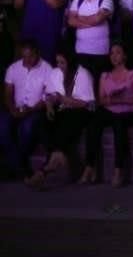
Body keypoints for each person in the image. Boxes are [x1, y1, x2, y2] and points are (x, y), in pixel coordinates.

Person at [28, 48, 96, 187]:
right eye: (57, 62)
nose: (59, 65)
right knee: (43, 120)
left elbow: (85, 103)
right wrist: (49, 105)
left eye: (63, 62)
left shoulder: (83, 74)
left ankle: (45, 169)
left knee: (67, 119)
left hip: (81, 110)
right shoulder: (55, 73)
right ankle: (57, 155)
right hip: (63, 109)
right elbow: (50, 95)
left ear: (70, 62)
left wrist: (63, 99)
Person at [83, 42, 133, 186]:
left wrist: (113, 99)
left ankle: (118, 170)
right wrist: (118, 99)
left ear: (125, 56)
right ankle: (89, 166)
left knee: (119, 122)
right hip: (110, 110)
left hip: (129, 112)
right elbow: (101, 100)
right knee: (94, 122)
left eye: (118, 52)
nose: (114, 56)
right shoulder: (105, 75)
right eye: (112, 53)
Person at [0, 41, 54, 182]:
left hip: (36, 109)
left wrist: (32, 108)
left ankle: (20, 169)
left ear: (37, 54)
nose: (27, 60)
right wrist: (12, 109)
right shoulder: (13, 68)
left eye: (30, 57)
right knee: (3, 127)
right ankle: (22, 168)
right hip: (16, 108)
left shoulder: (47, 69)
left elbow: (49, 96)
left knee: (27, 129)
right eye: (24, 57)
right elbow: (7, 94)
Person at [14, 0, 69, 65]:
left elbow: (55, 4)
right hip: (28, 40)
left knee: (46, 73)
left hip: (49, 41)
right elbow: (17, 5)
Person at [66, 0, 113, 87]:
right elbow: (71, 21)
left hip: (100, 52)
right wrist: (91, 22)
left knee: (98, 86)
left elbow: (98, 19)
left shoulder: (106, 0)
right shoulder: (78, 0)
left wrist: (80, 19)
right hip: (81, 50)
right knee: (81, 87)